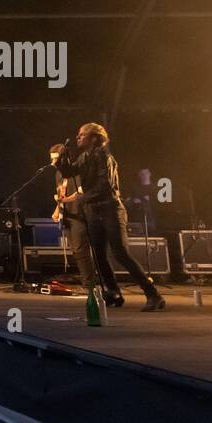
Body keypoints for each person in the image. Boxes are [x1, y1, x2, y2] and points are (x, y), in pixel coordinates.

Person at [55, 122, 165, 311]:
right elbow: (69, 172)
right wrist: (62, 158)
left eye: (82, 134)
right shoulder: (84, 157)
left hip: (110, 210)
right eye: (78, 134)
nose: (78, 137)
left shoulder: (103, 156)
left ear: (95, 138)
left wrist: (83, 198)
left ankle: (153, 294)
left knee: (120, 252)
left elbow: (104, 185)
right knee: (99, 255)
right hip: (94, 211)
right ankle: (113, 292)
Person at [49, 143, 95, 287]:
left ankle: (89, 283)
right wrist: (57, 209)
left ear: (64, 158)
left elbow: (81, 194)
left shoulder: (77, 171)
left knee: (81, 249)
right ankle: (87, 280)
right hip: (68, 215)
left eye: (56, 159)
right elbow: (61, 194)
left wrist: (65, 199)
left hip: (81, 215)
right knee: (75, 250)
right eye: (52, 159)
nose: (53, 162)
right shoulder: (58, 174)